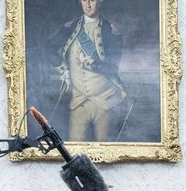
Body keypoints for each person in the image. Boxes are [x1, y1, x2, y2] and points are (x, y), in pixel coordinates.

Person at [50, 0, 128, 142]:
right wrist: (63, 69)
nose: (88, 4)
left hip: (106, 102)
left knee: (105, 152)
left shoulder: (111, 31)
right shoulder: (71, 27)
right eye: (84, 0)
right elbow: (48, 48)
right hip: (78, 102)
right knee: (75, 152)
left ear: (101, 2)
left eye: (92, 0)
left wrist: (93, 65)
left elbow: (113, 67)